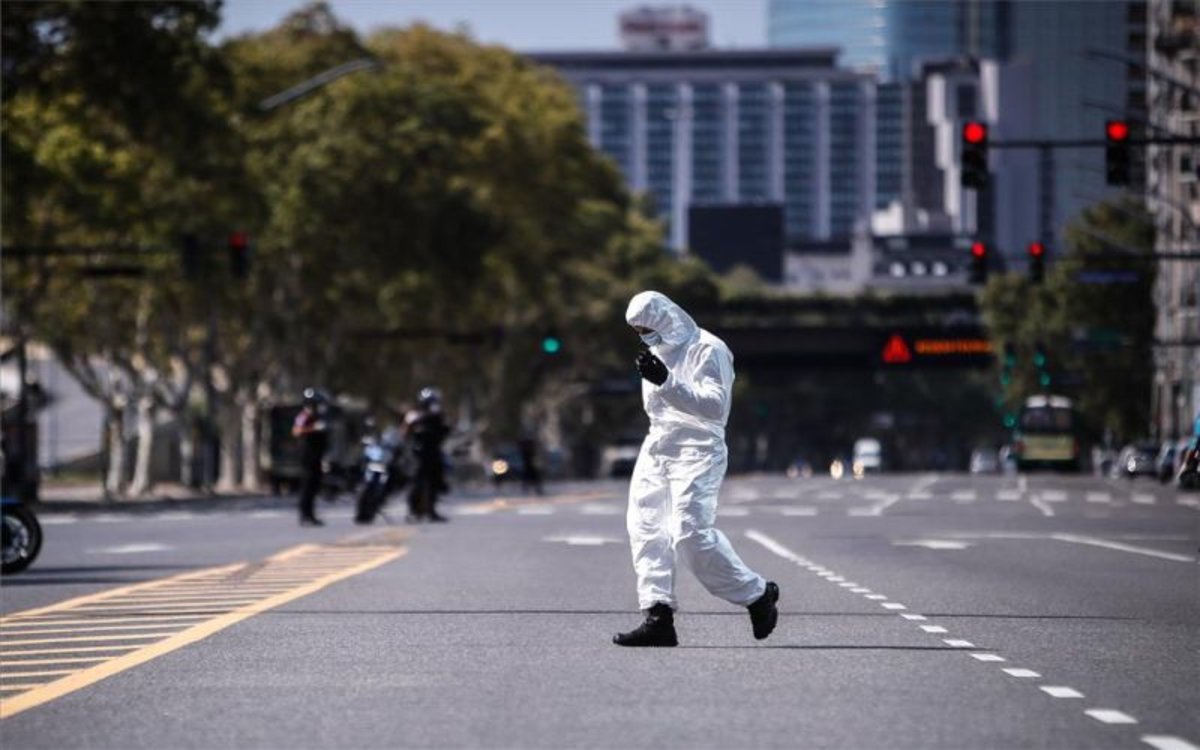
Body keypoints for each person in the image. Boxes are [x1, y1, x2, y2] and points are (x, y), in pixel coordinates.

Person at [614, 290, 779, 648]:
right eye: (637, 329)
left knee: (688, 534)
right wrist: (661, 381)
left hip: (699, 447)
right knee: (645, 529)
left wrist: (668, 382)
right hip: (657, 445)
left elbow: (715, 408)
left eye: (645, 326)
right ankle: (657, 616)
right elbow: (656, 410)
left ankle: (757, 594)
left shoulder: (709, 348)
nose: (643, 335)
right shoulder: (656, 352)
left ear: (664, 317)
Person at [405, 387, 450, 522]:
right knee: (417, 481)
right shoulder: (414, 416)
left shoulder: (438, 415)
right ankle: (414, 511)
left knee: (435, 481)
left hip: (434, 452)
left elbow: (445, 430)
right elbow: (406, 432)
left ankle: (431, 510)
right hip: (418, 453)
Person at [291, 388, 330, 527]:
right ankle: (304, 515)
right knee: (307, 487)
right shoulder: (304, 416)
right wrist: (313, 428)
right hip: (307, 458)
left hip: (316, 457)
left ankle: (311, 515)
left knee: (314, 487)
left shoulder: (318, 417)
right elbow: (296, 431)